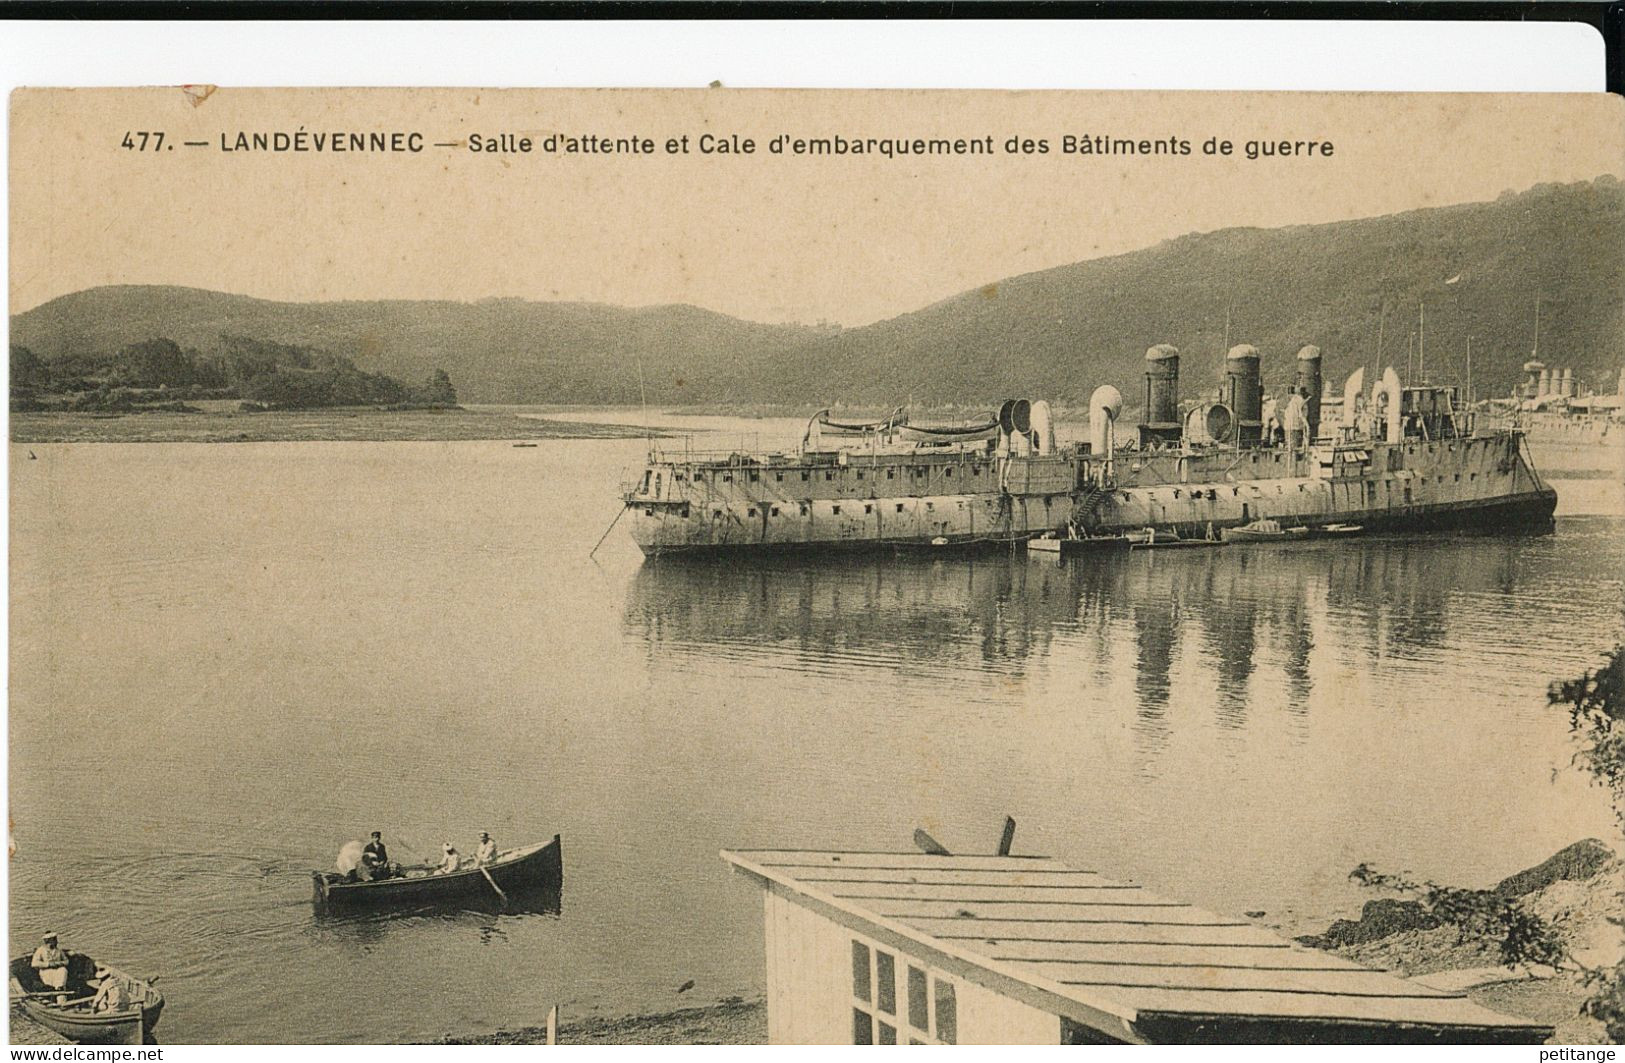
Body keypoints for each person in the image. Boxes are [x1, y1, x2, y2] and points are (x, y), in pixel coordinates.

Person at [30, 933, 69, 998]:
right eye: (54, 940)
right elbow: (34, 963)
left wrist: (58, 963)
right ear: (49, 941)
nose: (57, 942)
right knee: (50, 986)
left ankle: (61, 992)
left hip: (58, 970)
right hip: (46, 971)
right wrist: (48, 964)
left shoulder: (58, 950)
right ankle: (52, 994)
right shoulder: (40, 950)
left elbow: (66, 961)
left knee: (63, 970)